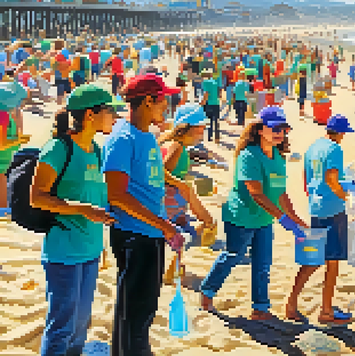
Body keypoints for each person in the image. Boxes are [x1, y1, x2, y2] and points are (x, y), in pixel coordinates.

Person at [30, 84, 119, 356]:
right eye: (110, 111)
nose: (115, 117)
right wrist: (81, 209)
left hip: (90, 251)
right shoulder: (58, 148)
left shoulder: (96, 150)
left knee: (80, 326)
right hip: (63, 253)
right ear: (90, 115)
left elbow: (98, 200)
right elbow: (37, 197)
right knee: (61, 327)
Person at [200, 107, 308, 319]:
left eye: (284, 129)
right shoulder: (249, 155)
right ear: (260, 129)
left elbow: (280, 192)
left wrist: (296, 218)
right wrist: (282, 218)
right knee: (233, 256)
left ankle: (260, 308)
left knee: (263, 263)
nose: (280, 133)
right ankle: (207, 293)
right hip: (241, 217)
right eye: (275, 128)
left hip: (264, 219)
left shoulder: (278, 156)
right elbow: (256, 194)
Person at [102, 74, 184, 355]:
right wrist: (163, 224)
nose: (167, 106)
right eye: (164, 100)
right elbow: (116, 194)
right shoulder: (122, 137)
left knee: (144, 308)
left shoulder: (147, 135)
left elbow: (149, 180)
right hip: (134, 234)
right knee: (134, 311)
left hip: (151, 232)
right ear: (149, 101)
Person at [286, 114, 355, 325]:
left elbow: (306, 180)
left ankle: (291, 303)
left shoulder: (313, 147)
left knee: (313, 259)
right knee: (332, 262)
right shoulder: (334, 149)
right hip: (332, 210)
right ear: (341, 133)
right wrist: (348, 197)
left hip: (316, 208)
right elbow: (332, 179)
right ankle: (326, 311)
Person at [159, 104, 217, 285]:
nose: (203, 131)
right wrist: (180, 184)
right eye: (200, 128)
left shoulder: (174, 144)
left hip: (173, 199)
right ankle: (171, 270)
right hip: (170, 199)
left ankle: (174, 267)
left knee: (177, 232)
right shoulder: (176, 146)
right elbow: (161, 172)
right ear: (187, 127)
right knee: (177, 232)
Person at [0, 81, 30, 218]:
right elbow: (2, 143)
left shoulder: (7, 114)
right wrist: (19, 140)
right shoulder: (4, 115)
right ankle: (3, 210)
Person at [200, 69, 221, 143]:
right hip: (216, 103)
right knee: (216, 121)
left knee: (209, 121)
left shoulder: (205, 82)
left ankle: (209, 136)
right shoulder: (215, 82)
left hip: (209, 104)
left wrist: (202, 102)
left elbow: (206, 93)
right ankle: (217, 137)